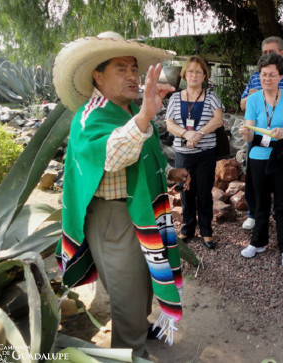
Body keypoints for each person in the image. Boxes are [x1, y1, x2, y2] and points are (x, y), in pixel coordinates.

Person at [53, 32, 189, 358]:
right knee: (127, 292)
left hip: (138, 210)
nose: (132, 75)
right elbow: (112, 154)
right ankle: (131, 352)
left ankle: (139, 328)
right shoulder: (92, 115)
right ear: (97, 76)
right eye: (120, 68)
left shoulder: (126, 109)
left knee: (141, 283)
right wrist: (145, 115)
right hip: (112, 219)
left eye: (134, 68)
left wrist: (168, 172)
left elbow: (144, 155)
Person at [238, 53, 283, 267]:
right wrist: (244, 132)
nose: (267, 79)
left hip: (282, 156)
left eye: (272, 75)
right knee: (260, 202)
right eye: (263, 75)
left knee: (282, 204)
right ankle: (258, 242)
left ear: (280, 76)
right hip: (257, 155)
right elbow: (249, 132)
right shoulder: (254, 100)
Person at [165, 55, 224, 249]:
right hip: (183, 154)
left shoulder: (211, 97)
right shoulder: (175, 97)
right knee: (185, 192)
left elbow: (218, 120)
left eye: (199, 71)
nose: (194, 75)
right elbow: (169, 123)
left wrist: (198, 134)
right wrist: (185, 134)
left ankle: (207, 231)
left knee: (204, 193)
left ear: (204, 76)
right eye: (190, 71)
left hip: (206, 153)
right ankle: (187, 228)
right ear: (184, 74)